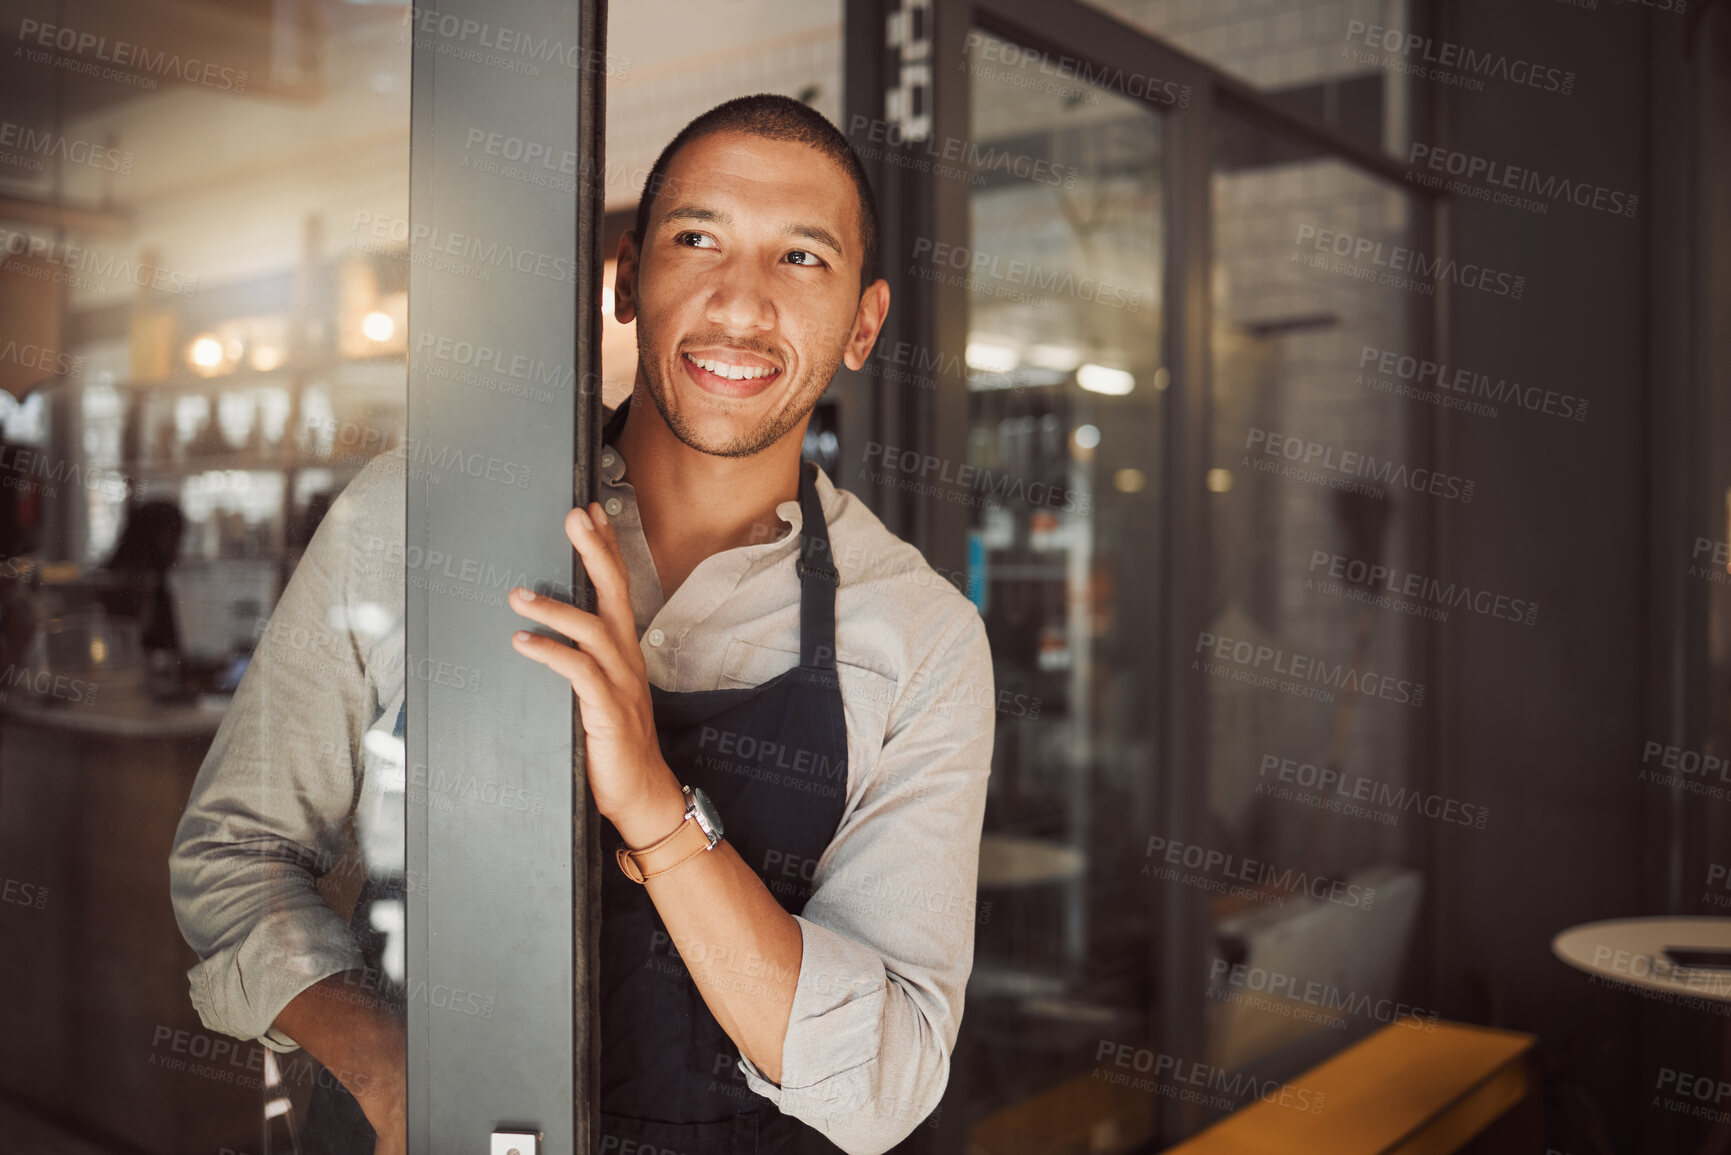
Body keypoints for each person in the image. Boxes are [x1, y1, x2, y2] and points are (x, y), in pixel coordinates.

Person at [169, 93, 996, 1155]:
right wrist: (391, 1076)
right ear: (623, 278)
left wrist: (656, 810)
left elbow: (883, 1083)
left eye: (801, 259)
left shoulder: (921, 637)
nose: (740, 303)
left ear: (864, 326)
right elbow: (235, 854)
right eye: (697, 239)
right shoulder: (415, 516)